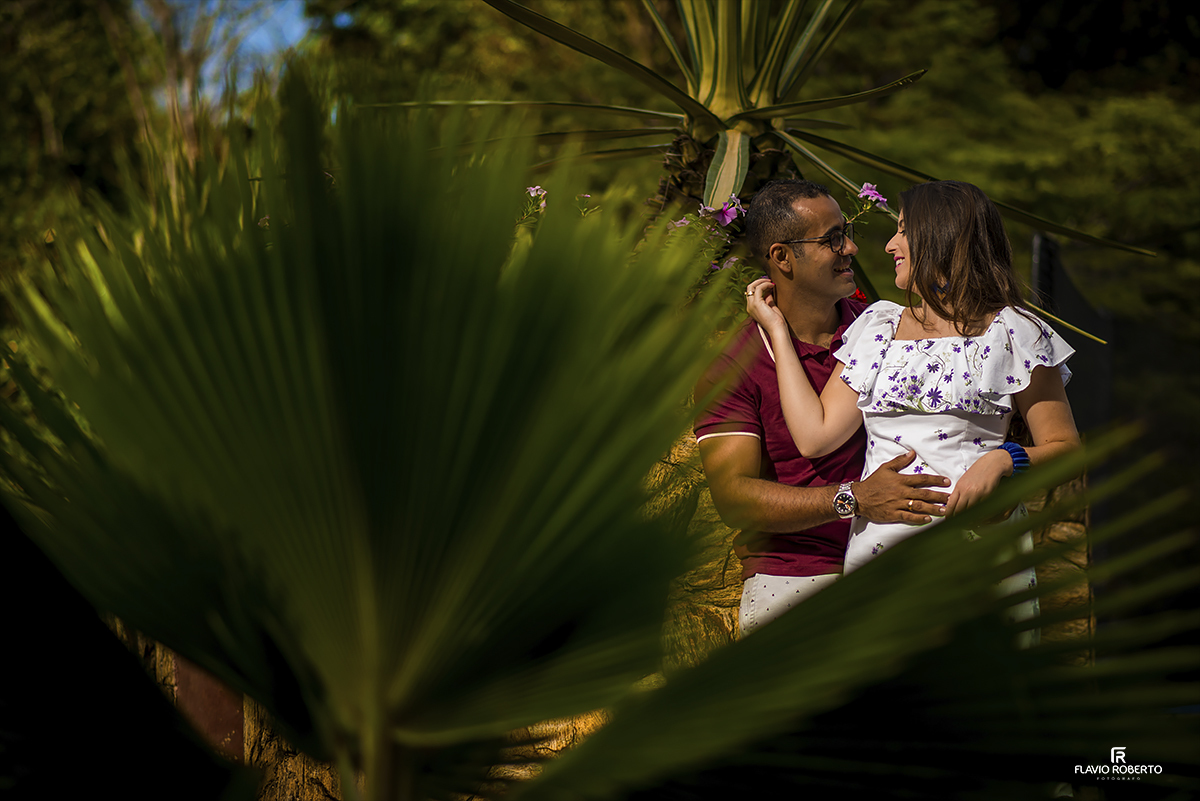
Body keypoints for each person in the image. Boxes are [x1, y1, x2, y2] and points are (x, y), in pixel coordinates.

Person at [744, 179, 1080, 580]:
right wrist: (777, 331)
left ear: (943, 236)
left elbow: (1067, 450)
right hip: (880, 559)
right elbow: (814, 437)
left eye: (903, 229)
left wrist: (1005, 459)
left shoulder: (1016, 332)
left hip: (979, 559)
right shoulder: (878, 327)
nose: (889, 245)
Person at [694, 179, 954, 637]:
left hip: (905, 561)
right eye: (832, 238)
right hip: (794, 578)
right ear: (781, 258)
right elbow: (733, 496)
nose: (851, 247)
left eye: (847, 231)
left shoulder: (887, 328)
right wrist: (854, 498)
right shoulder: (732, 366)